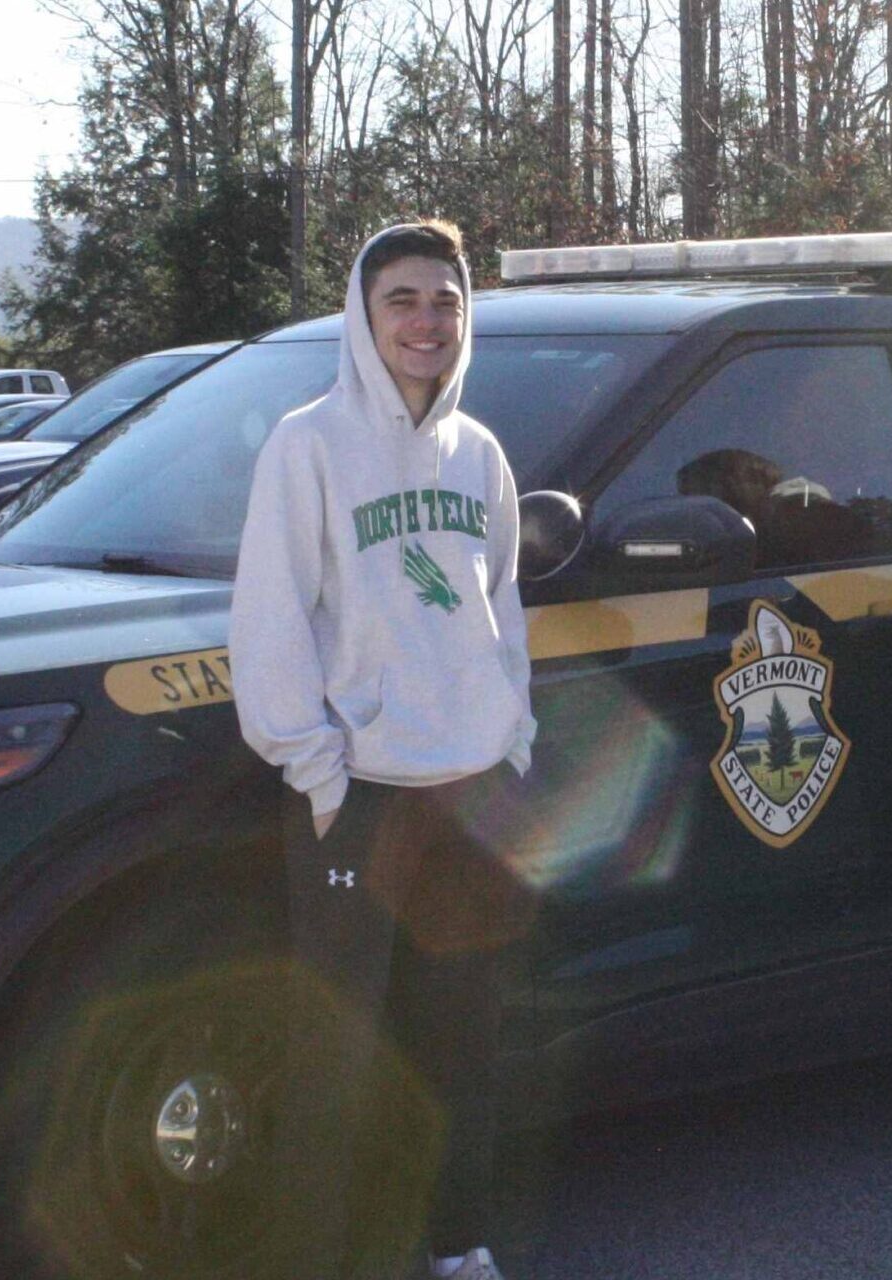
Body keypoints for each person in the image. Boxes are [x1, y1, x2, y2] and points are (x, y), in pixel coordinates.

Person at [230, 220, 536, 1280]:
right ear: (363, 315)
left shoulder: (481, 453)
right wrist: (317, 772)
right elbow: (267, 621)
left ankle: (459, 1243)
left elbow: (503, 608)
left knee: (462, 1043)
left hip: (468, 791)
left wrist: (512, 736)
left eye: (445, 302)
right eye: (402, 299)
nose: (426, 322)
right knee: (337, 1053)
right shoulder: (307, 443)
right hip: (356, 795)